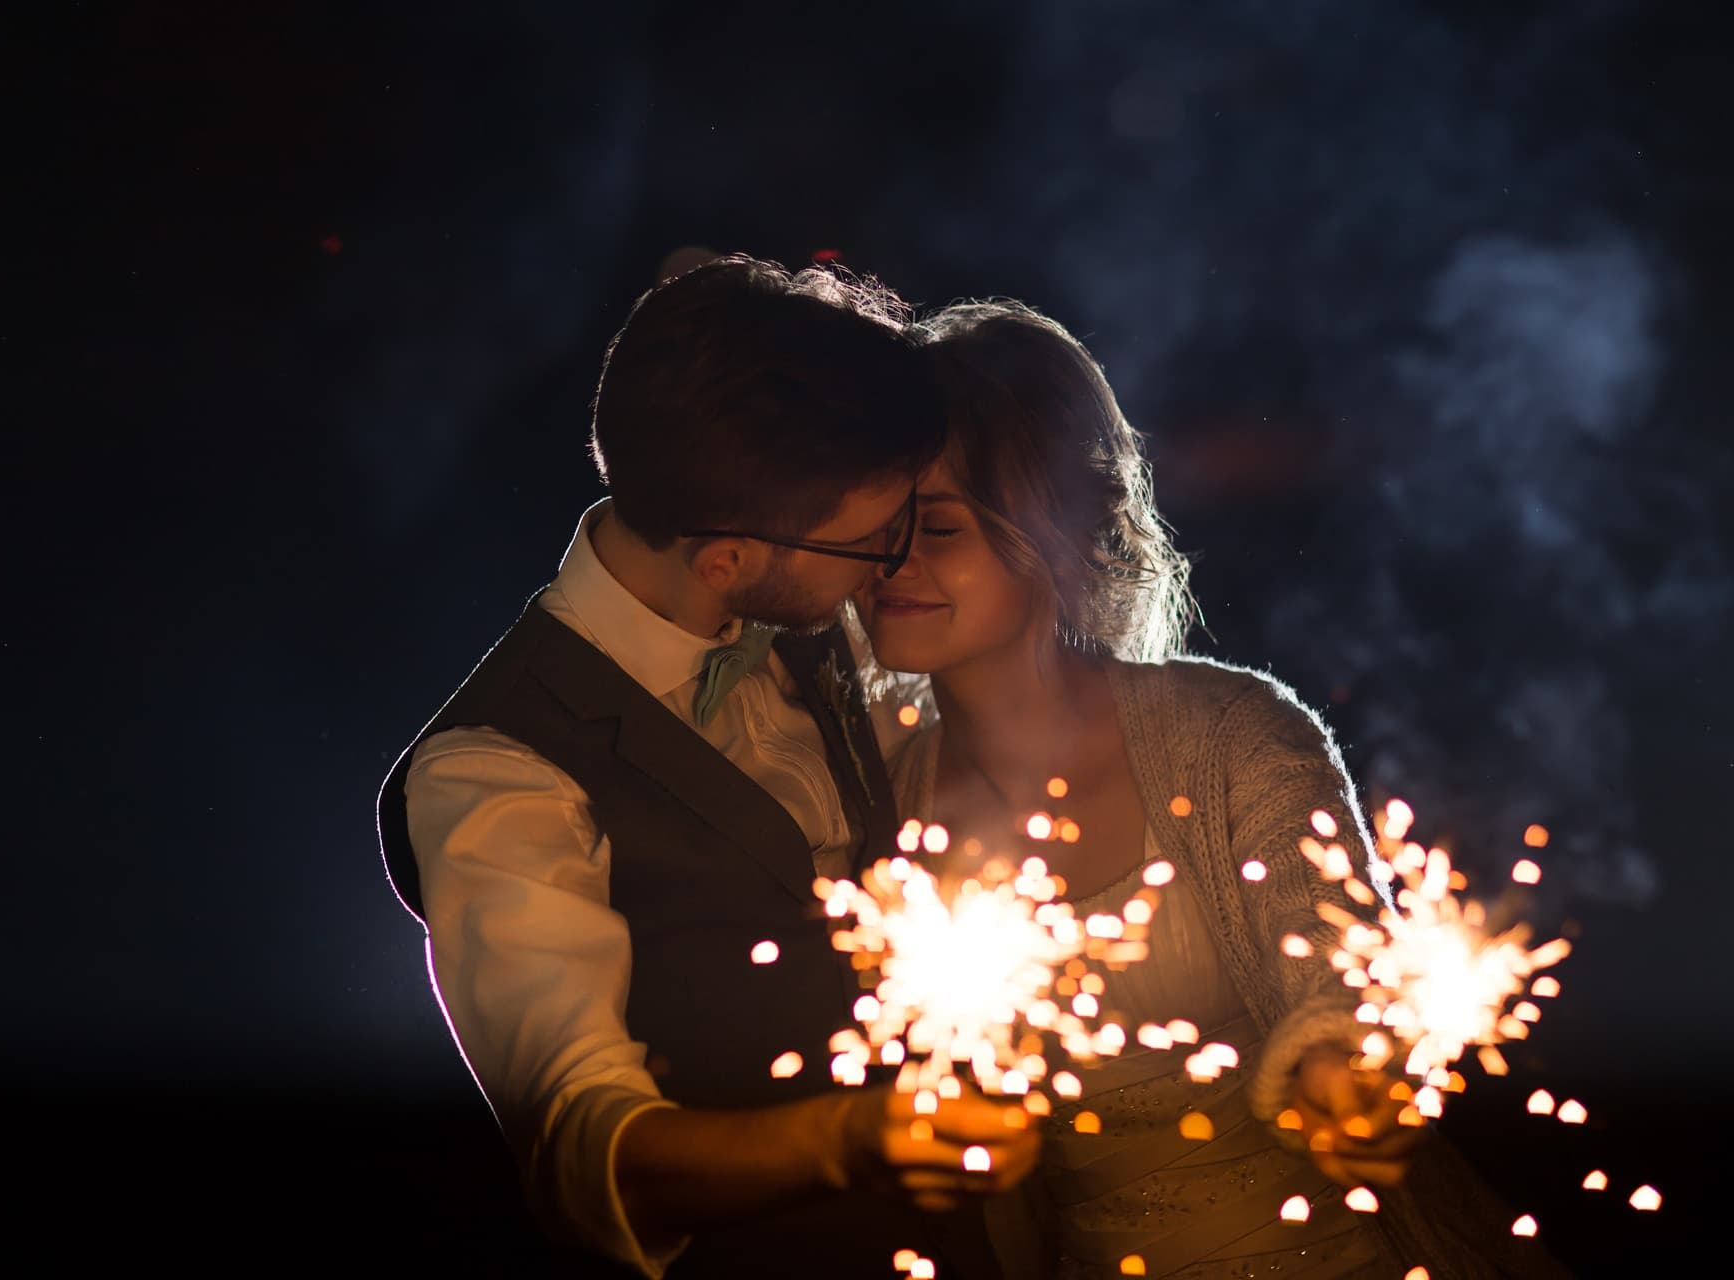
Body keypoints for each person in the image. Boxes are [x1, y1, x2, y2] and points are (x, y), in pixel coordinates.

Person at [852, 299, 1575, 1278]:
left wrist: (1347, 1077)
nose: (891, 564)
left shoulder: (1233, 732)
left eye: (936, 525)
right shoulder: (876, 803)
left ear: (1057, 526)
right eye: (875, 527)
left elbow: (1333, 970)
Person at [376, 256, 1038, 1279]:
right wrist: (854, 1137)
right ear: (727, 555)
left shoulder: (804, 620)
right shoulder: (495, 773)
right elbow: (589, 1147)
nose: (895, 562)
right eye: (873, 538)